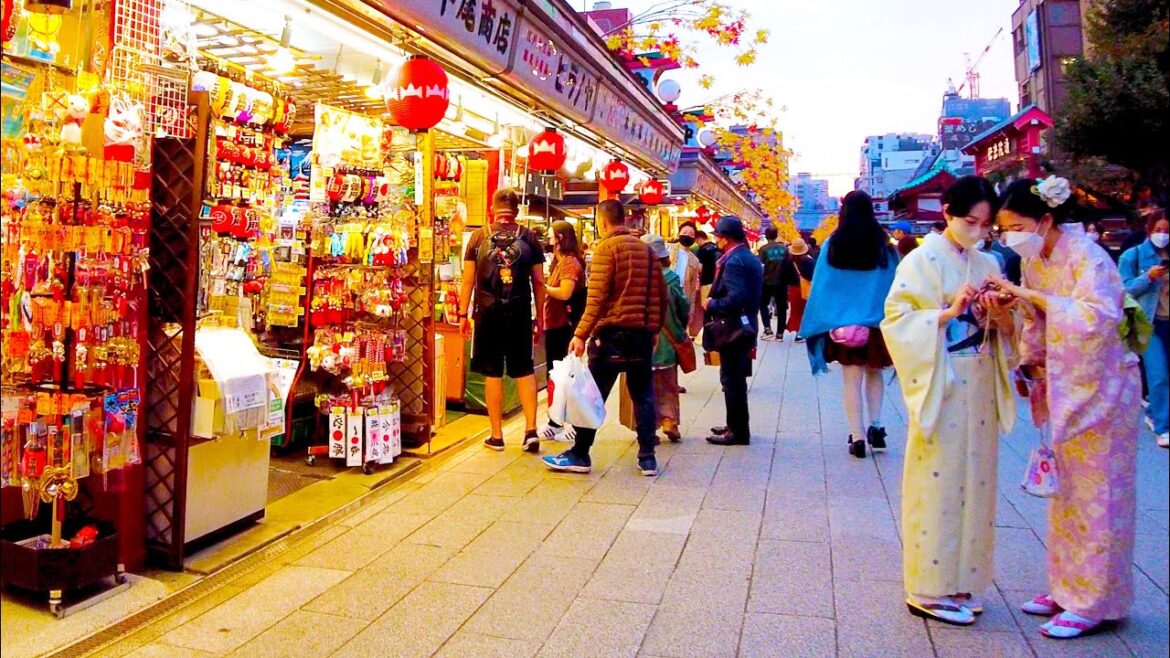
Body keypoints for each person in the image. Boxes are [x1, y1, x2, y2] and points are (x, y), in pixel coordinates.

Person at [992, 176, 1141, 639]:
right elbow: (1038, 322)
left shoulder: (1087, 255)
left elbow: (1098, 318)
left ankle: (1095, 600)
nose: (1010, 238)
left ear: (1047, 219)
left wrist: (1031, 296)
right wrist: (1030, 361)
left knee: (1101, 498)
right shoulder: (1039, 260)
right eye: (1003, 230)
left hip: (1104, 390)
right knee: (1066, 497)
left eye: (1017, 226)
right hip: (1067, 387)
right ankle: (1066, 587)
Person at [883, 176, 1017, 626]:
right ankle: (928, 587)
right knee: (938, 480)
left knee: (977, 480)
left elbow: (1003, 324)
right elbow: (897, 319)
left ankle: (965, 580)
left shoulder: (988, 261)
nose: (977, 230)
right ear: (947, 213)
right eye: (968, 220)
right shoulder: (922, 260)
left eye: (984, 224)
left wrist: (996, 311)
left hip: (978, 375)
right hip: (943, 375)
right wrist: (949, 312)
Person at [543, 199, 667, 476]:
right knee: (643, 396)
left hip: (611, 334)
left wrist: (580, 334)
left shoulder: (606, 249)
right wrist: (655, 328)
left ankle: (580, 453)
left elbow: (596, 299)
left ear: (602, 221)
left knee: (591, 395)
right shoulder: (647, 251)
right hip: (642, 335)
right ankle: (648, 458)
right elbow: (662, 294)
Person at [800, 191, 898, 458]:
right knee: (874, 374)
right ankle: (876, 426)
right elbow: (894, 285)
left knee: (851, 380)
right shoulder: (884, 246)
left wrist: (819, 320)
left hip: (845, 327)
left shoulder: (834, 244)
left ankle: (857, 437)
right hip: (878, 325)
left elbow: (823, 285)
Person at [459, 189, 546, 452]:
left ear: (492, 210)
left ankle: (496, 435)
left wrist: (463, 314)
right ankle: (530, 430)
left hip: (487, 314)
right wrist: (539, 316)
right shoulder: (529, 237)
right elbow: (539, 282)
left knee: (492, 373)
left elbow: (467, 280)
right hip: (519, 311)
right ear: (516, 212)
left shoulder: (478, 236)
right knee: (524, 369)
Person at [704, 217, 763, 446]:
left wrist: (712, 305)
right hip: (743, 325)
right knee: (733, 377)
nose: (715, 240)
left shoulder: (735, 261)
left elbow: (736, 297)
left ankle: (737, 431)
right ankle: (735, 424)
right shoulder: (745, 256)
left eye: (717, 236)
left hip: (735, 328)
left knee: (732, 379)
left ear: (725, 238)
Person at [1119, 209, 1169, 448]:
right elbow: (1123, 290)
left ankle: (1154, 414)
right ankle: (1164, 427)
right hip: (1149, 323)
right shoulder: (1134, 256)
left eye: (1167, 231)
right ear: (1149, 230)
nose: (1163, 235)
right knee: (1158, 375)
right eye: (1158, 230)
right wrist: (1148, 277)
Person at [537, 220, 586, 443]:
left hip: (564, 327)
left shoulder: (569, 263)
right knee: (556, 375)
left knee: (566, 376)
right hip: (556, 325)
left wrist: (541, 286)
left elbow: (565, 293)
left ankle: (574, 424)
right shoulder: (560, 262)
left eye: (550, 235)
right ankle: (556, 421)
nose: (547, 239)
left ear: (559, 238)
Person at [645, 233, 691, 443]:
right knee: (668, 384)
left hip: (643, 339)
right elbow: (683, 307)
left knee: (644, 385)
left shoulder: (637, 276)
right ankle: (669, 421)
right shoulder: (671, 277)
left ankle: (647, 427)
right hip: (667, 338)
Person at [672, 222, 704, 336]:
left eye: (691, 234)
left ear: (694, 238)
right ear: (678, 234)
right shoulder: (667, 249)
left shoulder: (694, 260)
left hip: (682, 298)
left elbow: (692, 287)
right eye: (684, 232)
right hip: (666, 296)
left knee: (678, 333)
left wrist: (691, 310)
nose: (687, 236)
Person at [757, 226, 789, 340]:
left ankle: (767, 329)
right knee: (781, 307)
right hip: (782, 281)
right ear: (776, 235)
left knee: (763, 304)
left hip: (767, 281)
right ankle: (780, 333)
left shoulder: (763, 249)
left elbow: (760, 266)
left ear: (766, 236)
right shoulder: (785, 249)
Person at [784, 237, 815, 341]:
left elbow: (784, 276)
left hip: (793, 289)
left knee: (796, 311)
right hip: (806, 289)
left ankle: (798, 332)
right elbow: (813, 276)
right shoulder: (809, 262)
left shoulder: (788, 262)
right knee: (806, 311)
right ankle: (803, 332)